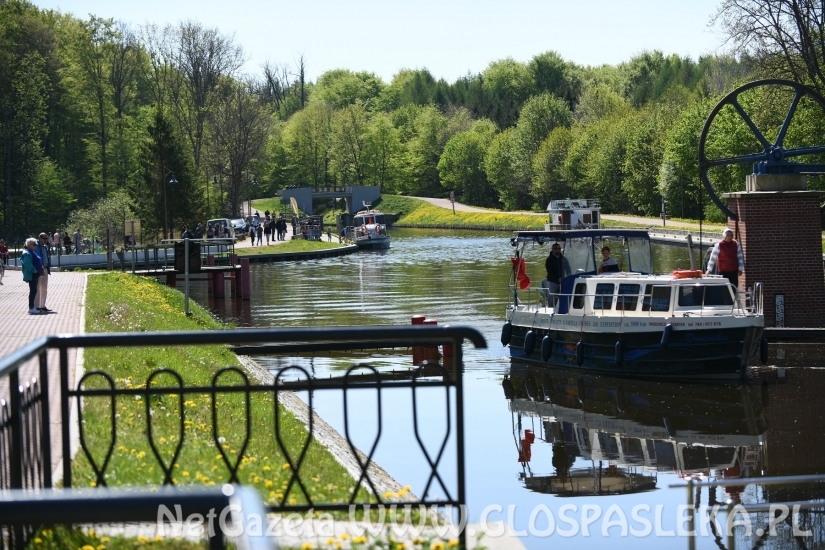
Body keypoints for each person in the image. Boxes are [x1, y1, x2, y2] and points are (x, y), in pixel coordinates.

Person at [21, 237, 43, 315]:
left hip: (35, 274)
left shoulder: (32, 251)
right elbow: (27, 263)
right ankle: (31, 308)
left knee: (34, 291)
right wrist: (34, 270)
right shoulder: (27, 253)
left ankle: (32, 307)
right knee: (33, 291)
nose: (35, 246)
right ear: (30, 245)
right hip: (32, 274)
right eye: (34, 244)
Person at [34, 233, 53, 313]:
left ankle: (42, 305)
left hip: (45, 269)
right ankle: (36, 306)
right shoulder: (36, 246)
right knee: (37, 288)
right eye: (44, 238)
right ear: (40, 238)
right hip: (39, 269)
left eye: (47, 238)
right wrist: (39, 268)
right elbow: (36, 258)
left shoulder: (45, 247)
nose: (46, 240)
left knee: (44, 288)